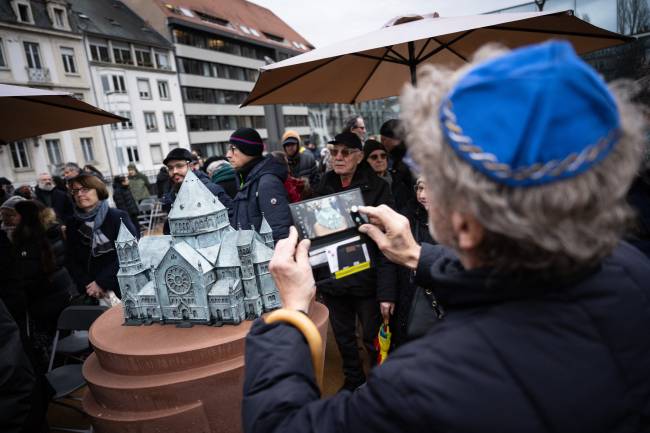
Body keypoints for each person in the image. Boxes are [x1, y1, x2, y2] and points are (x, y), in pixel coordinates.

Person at [242, 42, 650, 433]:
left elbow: (279, 424)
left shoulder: (428, 382)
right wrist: (419, 256)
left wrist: (291, 313)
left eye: (435, 179)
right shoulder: (630, 268)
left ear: (468, 226)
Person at [312, 130, 397, 391]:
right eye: (334, 151)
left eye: (345, 152)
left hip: (367, 280)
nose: (338, 157)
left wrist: (387, 293)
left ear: (359, 157)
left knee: (372, 336)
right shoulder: (322, 185)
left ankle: (379, 384)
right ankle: (354, 380)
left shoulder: (379, 188)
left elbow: (387, 244)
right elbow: (313, 236)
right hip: (334, 280)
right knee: (344, 337)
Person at [11, 200, 70, 373]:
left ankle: (55, 371)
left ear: (23, 217)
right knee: (61, 334)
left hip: (43, 298)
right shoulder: (52, 231)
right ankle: (62, 365)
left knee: (50, 338)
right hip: (60, 291)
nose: (10, 218)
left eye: (14, 214)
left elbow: (29, 275)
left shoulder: (29, 241)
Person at [65, 174, 137, 300]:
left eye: (85, 189)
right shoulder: (72, 223)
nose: (79, 194)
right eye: (75, 191)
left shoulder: (118, 217)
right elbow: (71, 259)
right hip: (91, 292)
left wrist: (102, 283)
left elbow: (130, 254)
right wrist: (89, 286)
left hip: (123, 287)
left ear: (98, 190)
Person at [227, 127, 291, 241]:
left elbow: (280, 232)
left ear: (248, 149)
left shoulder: (267, 182)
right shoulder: (246, 179)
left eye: (233, 149)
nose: (228, 155)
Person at [161, 148, 232, 235]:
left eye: (179, 166)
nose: (174, 171)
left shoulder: (211, 190)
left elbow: (231, 218)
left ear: (191, 166)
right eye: (170, 168)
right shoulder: (172, 195)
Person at [379, 119, 416, 212]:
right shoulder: (393, 157)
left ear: (397, 139)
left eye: (384, 140)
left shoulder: (411, 158)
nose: (382, 143)